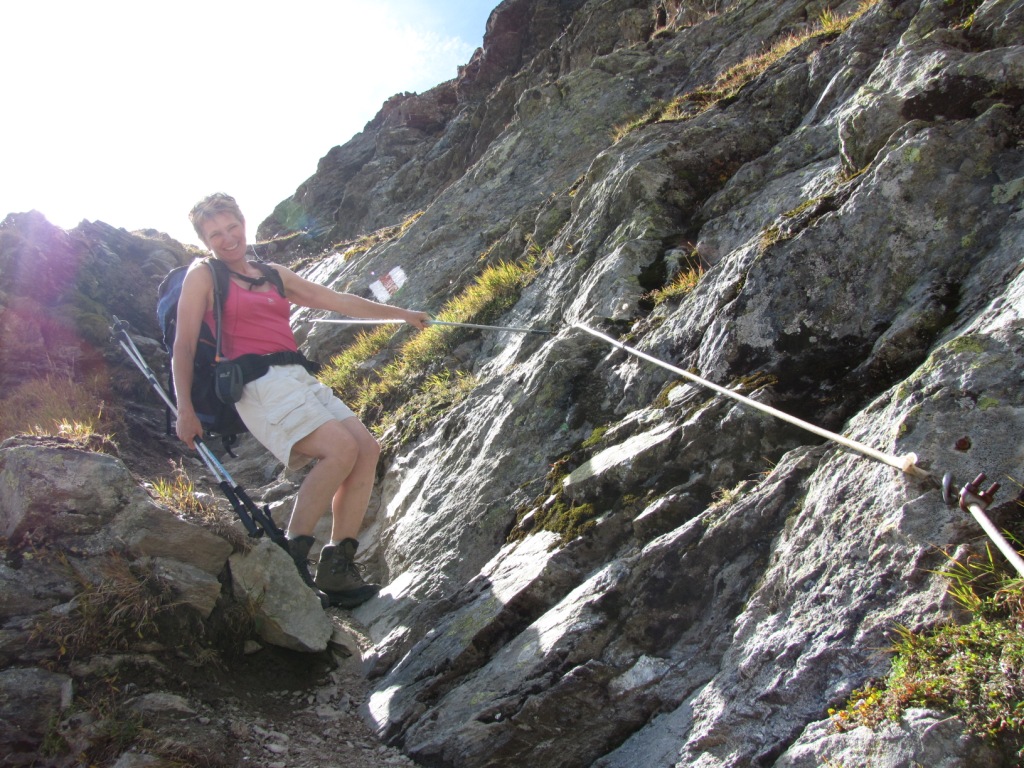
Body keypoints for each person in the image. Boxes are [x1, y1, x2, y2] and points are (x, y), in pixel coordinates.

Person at [173, 192, 429, 608]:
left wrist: (403, 314)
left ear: (243, 223)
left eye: (232, 226)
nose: (227, 238)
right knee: (340, 450)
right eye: (215, 234)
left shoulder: (273, 274)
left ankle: (337, 565)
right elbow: (183, 346)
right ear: (205, 241)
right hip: (257, 383)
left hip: (297, 375)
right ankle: (291, 557)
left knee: (365, 449)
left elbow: (338, 300)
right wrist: (184, 408)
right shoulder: (203, 275)